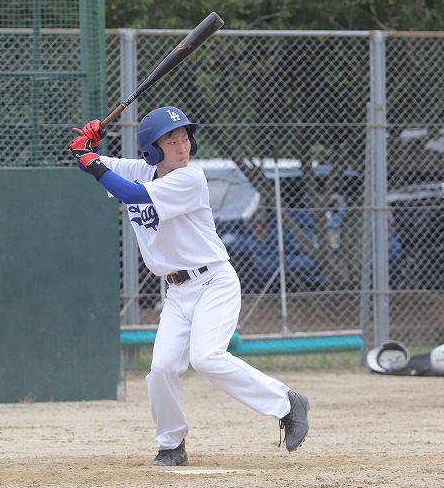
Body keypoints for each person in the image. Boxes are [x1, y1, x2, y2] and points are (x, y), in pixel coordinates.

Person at [68, 106, 310, 466]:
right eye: (172, 142)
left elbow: (130, 194)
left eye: (185, 139)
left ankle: (287, 403)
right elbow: (92, 165)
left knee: (206, 358)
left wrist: (89, 158)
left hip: (213, 281)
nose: (183, 147)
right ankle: (171, 446)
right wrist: (85, 147)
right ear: (152, 150)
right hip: (177, 290)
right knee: (162, 369)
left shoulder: (190, 178)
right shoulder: (141, 170)